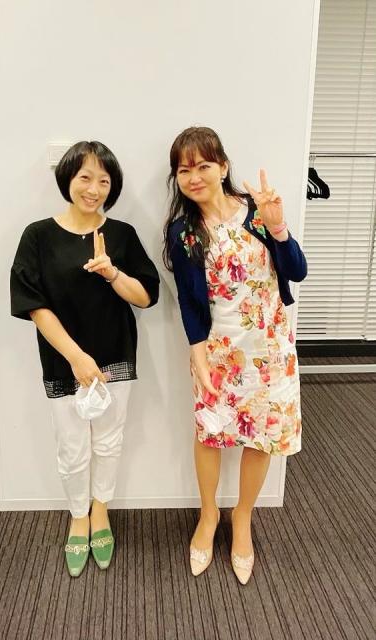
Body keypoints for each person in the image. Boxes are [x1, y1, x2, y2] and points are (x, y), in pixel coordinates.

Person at [163, 126, 307, 583]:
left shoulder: (256, 211)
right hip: (219, 352)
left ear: (223, 166)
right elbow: (189, 302)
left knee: (261, 435)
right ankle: (209, 514)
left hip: (270, 349)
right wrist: (198, 355)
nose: (194, 177)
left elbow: (297, 271)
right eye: (184, 170)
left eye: (203, 165)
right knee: (210, 433)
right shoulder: (184, 232)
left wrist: (278, 226)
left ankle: (242, 516)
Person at [10, 141, 159, 577]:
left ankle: (100, 512)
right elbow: (34, 305)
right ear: (68, 180)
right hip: (65, 362)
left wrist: (112, 272)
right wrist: (76, 357)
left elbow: (146, 297)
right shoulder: (38, 235)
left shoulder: (122, 234)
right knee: (72, 446)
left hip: (115, 357)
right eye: (85, 178)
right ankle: (78, 515)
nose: (94, 189)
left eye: (104, 181)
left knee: (109, 442)